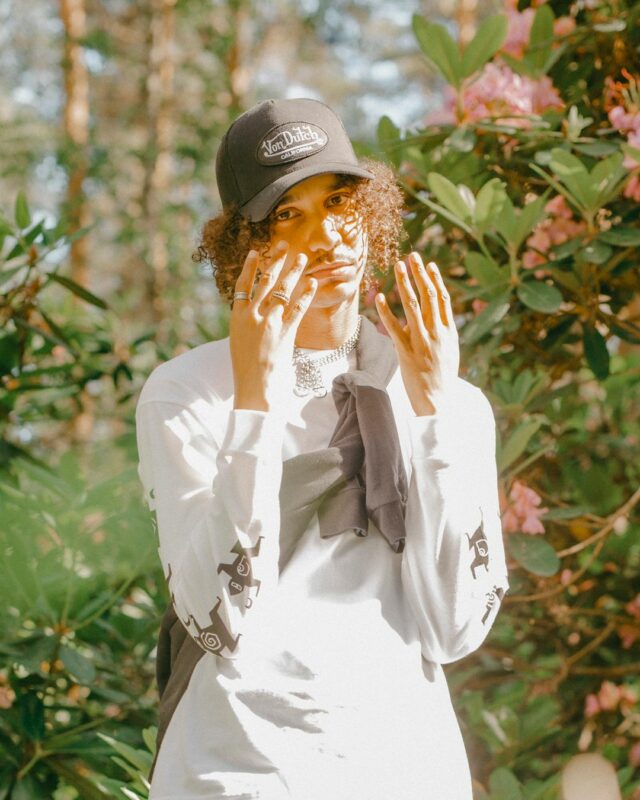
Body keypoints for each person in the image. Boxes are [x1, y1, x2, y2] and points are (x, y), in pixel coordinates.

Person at [135, 97, 509, 800]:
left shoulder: (448, 397)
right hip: (237, 773)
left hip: (406, 772)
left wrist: (435, 417)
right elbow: (218, 619)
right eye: (288, 214)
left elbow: (458, 628)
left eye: (339, 202)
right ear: (243, 244)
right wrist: (254, 399)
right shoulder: (186, 393)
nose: (328, 235)